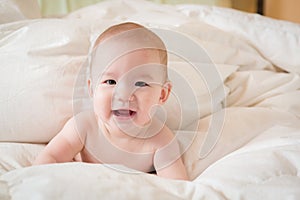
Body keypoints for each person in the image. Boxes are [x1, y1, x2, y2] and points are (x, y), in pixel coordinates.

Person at [33, 22, 189, 180]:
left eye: (140, 83)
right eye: (110, 82)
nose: (123, 94)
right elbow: (49, 159)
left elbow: (177, 186)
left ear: (162, 95)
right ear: (92, 90)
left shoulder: (161, 141)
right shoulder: (83, 127)